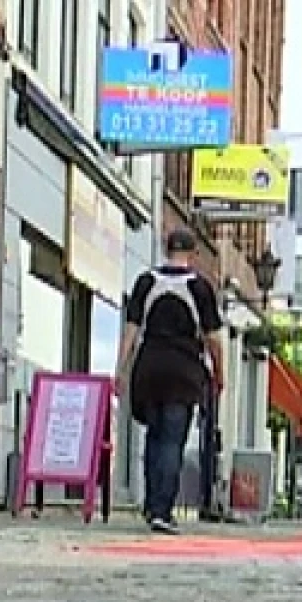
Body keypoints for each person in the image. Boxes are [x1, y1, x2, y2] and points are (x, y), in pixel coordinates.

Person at [118, 228, 224, 534]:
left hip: (150, 367)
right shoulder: (200, 288)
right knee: (172, 441)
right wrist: (220, 373)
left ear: (166, 250)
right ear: (193, 255)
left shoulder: (146, 281)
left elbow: (131, 330)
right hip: (183, 371)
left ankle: (152, 505)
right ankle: (163, 510)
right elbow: (214, 339)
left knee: (154, 436)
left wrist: (120, 369)